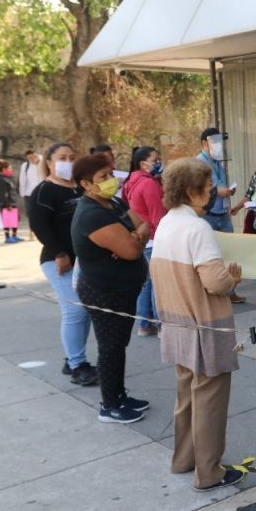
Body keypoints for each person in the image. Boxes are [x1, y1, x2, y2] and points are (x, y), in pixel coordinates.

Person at [150, 158, 246, 491]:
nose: (212, 195)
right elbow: (215, 284)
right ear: (192, 192)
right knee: (210, 401)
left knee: (186, 396)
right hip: (206, 324)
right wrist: (232, 277)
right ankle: (209, 472)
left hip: (175, 322)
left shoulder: (166, 223)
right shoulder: (197, 228)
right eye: (207, 190)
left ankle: (184, 459)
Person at [71, 153, 150, 423]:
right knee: (111, 347)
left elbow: (144, 224)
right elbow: (129, 252)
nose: (110, 180)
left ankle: (119, 394)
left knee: (119, 345)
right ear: (86, 184)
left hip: (123, 289)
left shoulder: (112, 202)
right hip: (104, 291)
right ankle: (110, 405)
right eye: (102, 177)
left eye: (109, 174)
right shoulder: (91, 214)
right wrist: (132, 241)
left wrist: (133, 237)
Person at [28, 144, 98, 385]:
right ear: (48, 162)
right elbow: (39, 226)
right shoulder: (43, 192)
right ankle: (78, 365)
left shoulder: (80, 188)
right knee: (74, 310)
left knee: (86, 308)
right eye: (62, 158)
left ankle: (73, 358)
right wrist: (59, 253)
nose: (68, 161)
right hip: (59, 261)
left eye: (71, 157)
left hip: (85, 260)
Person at [195, 127, 244, 304]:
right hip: (208, 213)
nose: (218, 146)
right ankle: (213, 291)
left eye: (220, 142)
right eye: (215, 142)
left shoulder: (218, 161)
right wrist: (218, 192)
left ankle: (230, 290)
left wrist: (229, 190)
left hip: (222, 212)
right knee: (211, 253)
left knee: (229, 251)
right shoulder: (199, 163)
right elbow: (199, 189)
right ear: (204, 143)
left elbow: (221, 183)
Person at [123, 146, 167, 337]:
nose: (158, 163)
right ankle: (159, 325)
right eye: (155, 160)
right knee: (158, 283)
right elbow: (158, 215)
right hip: (154, 237)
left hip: (142, 238)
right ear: (143, 163)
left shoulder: (130, 182)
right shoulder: (149, 185)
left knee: (146, 283)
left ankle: (144, 323)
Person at [0, 158, 21, 243]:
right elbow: (2, 193)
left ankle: (14, 236)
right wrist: (7, 204)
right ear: (3, 169)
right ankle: (7, 237)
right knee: (7, 220)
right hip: (6, 203)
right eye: (9, 168)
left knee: (15, 219)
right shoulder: (0, 179)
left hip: (13, 201)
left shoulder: (8, 178)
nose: (11, 170)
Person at [19, 150, 43, 239]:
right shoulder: (25, 166)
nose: (31, 159)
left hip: (43, 191)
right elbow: (22, 180)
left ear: (36, 155)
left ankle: (44, 231)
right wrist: (23, 193)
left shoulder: (44, 162)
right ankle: (31, 232)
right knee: (31, 214)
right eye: (29, 158)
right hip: (30, 193)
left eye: (33, 157)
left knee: (43, 212)